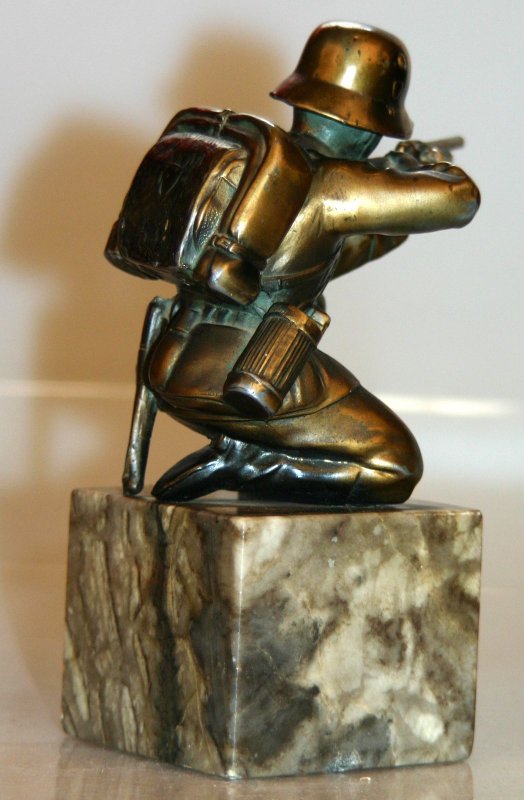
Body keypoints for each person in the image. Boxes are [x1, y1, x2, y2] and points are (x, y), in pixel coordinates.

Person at [106, 22, 480, 505]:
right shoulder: (336, 183)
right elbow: (460, 199)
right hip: (246, 378)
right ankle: (252, 462)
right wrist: (416, 167)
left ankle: (247, 453)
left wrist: (391, 190)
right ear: (369, 123)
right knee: (395, 464)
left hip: (172, 365)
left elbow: (312, 267)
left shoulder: (268, 169)